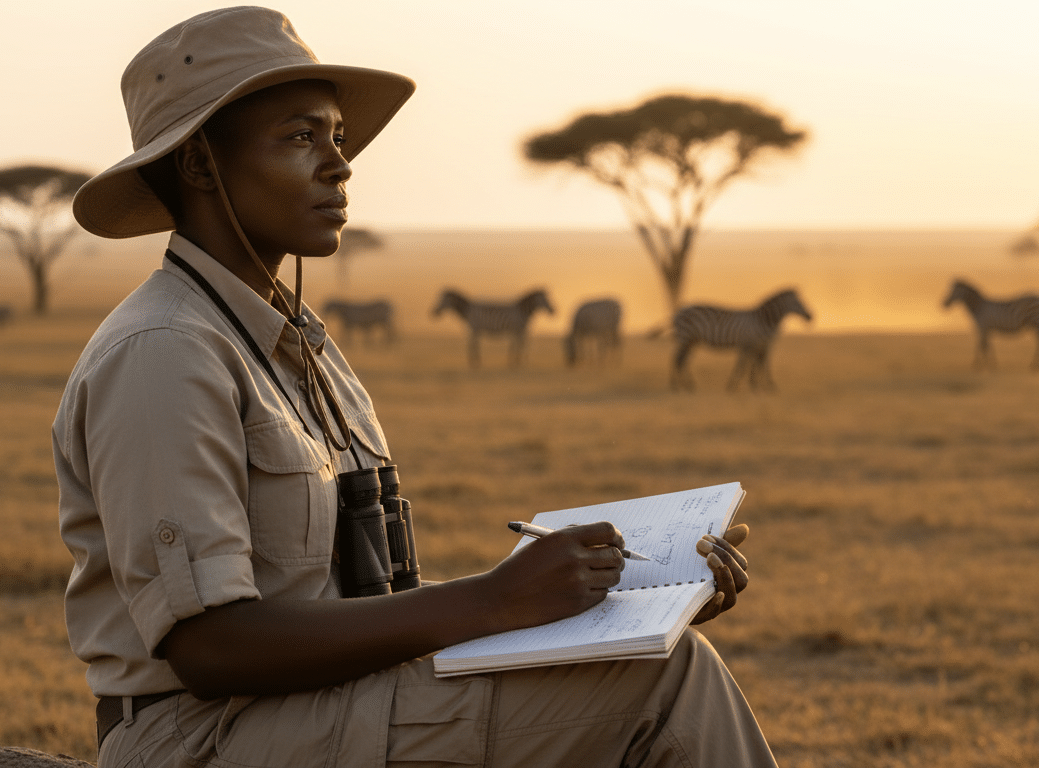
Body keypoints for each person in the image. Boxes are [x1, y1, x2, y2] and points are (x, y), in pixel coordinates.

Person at [54, 7, 777, 767]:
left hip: (326, 705)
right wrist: (496, 600)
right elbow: (210, 646)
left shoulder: (299, 344)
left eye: (337, 137)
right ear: (201, 165)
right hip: (206, 736)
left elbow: (373, 604)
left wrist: (627, 606)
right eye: (302, 138)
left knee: (653, 655)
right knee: (668, 686)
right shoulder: (165, 352)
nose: (340, 165)